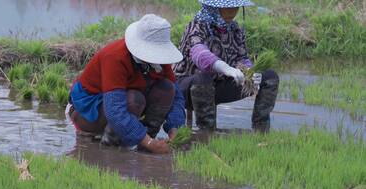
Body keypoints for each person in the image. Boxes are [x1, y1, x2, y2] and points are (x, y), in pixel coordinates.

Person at [67, 14, 185, 154]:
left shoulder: (159, 60)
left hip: (123, 104)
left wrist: (175, 128)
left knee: (167, 89)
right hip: (88, 112)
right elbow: (115, 111)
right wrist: (149, 142)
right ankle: (111, 148)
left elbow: (176, 96)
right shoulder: (115, 57)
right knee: (134, 99)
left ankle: (146, 146)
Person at [174, 0, 279, 131]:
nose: (232, 11)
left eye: (235, 7)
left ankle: (260, 128)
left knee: (269, 76)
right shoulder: (197, 26)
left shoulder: (234, 29)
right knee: (203, 79)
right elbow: (199, 53)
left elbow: (242, 58)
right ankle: (206, 133)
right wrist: (225, 68)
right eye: (226, 7)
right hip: (188, 87)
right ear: (212, 8)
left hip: (218, 84)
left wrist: (250, 72)